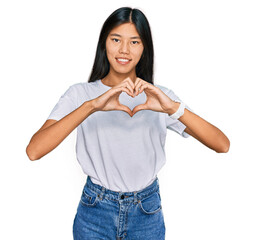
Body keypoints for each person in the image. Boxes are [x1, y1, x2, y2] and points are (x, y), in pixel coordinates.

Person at [26, 6, 230, 240]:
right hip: (95, 213)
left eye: (135, 42)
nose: (124, 50)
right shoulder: (81, 94)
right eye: (116, 39)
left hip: (146, 212)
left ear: (145, 48)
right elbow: (34, 150)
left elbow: (222, 144)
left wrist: (172, 108)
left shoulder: (159, 96)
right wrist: (92, 106)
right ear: (105, 43)